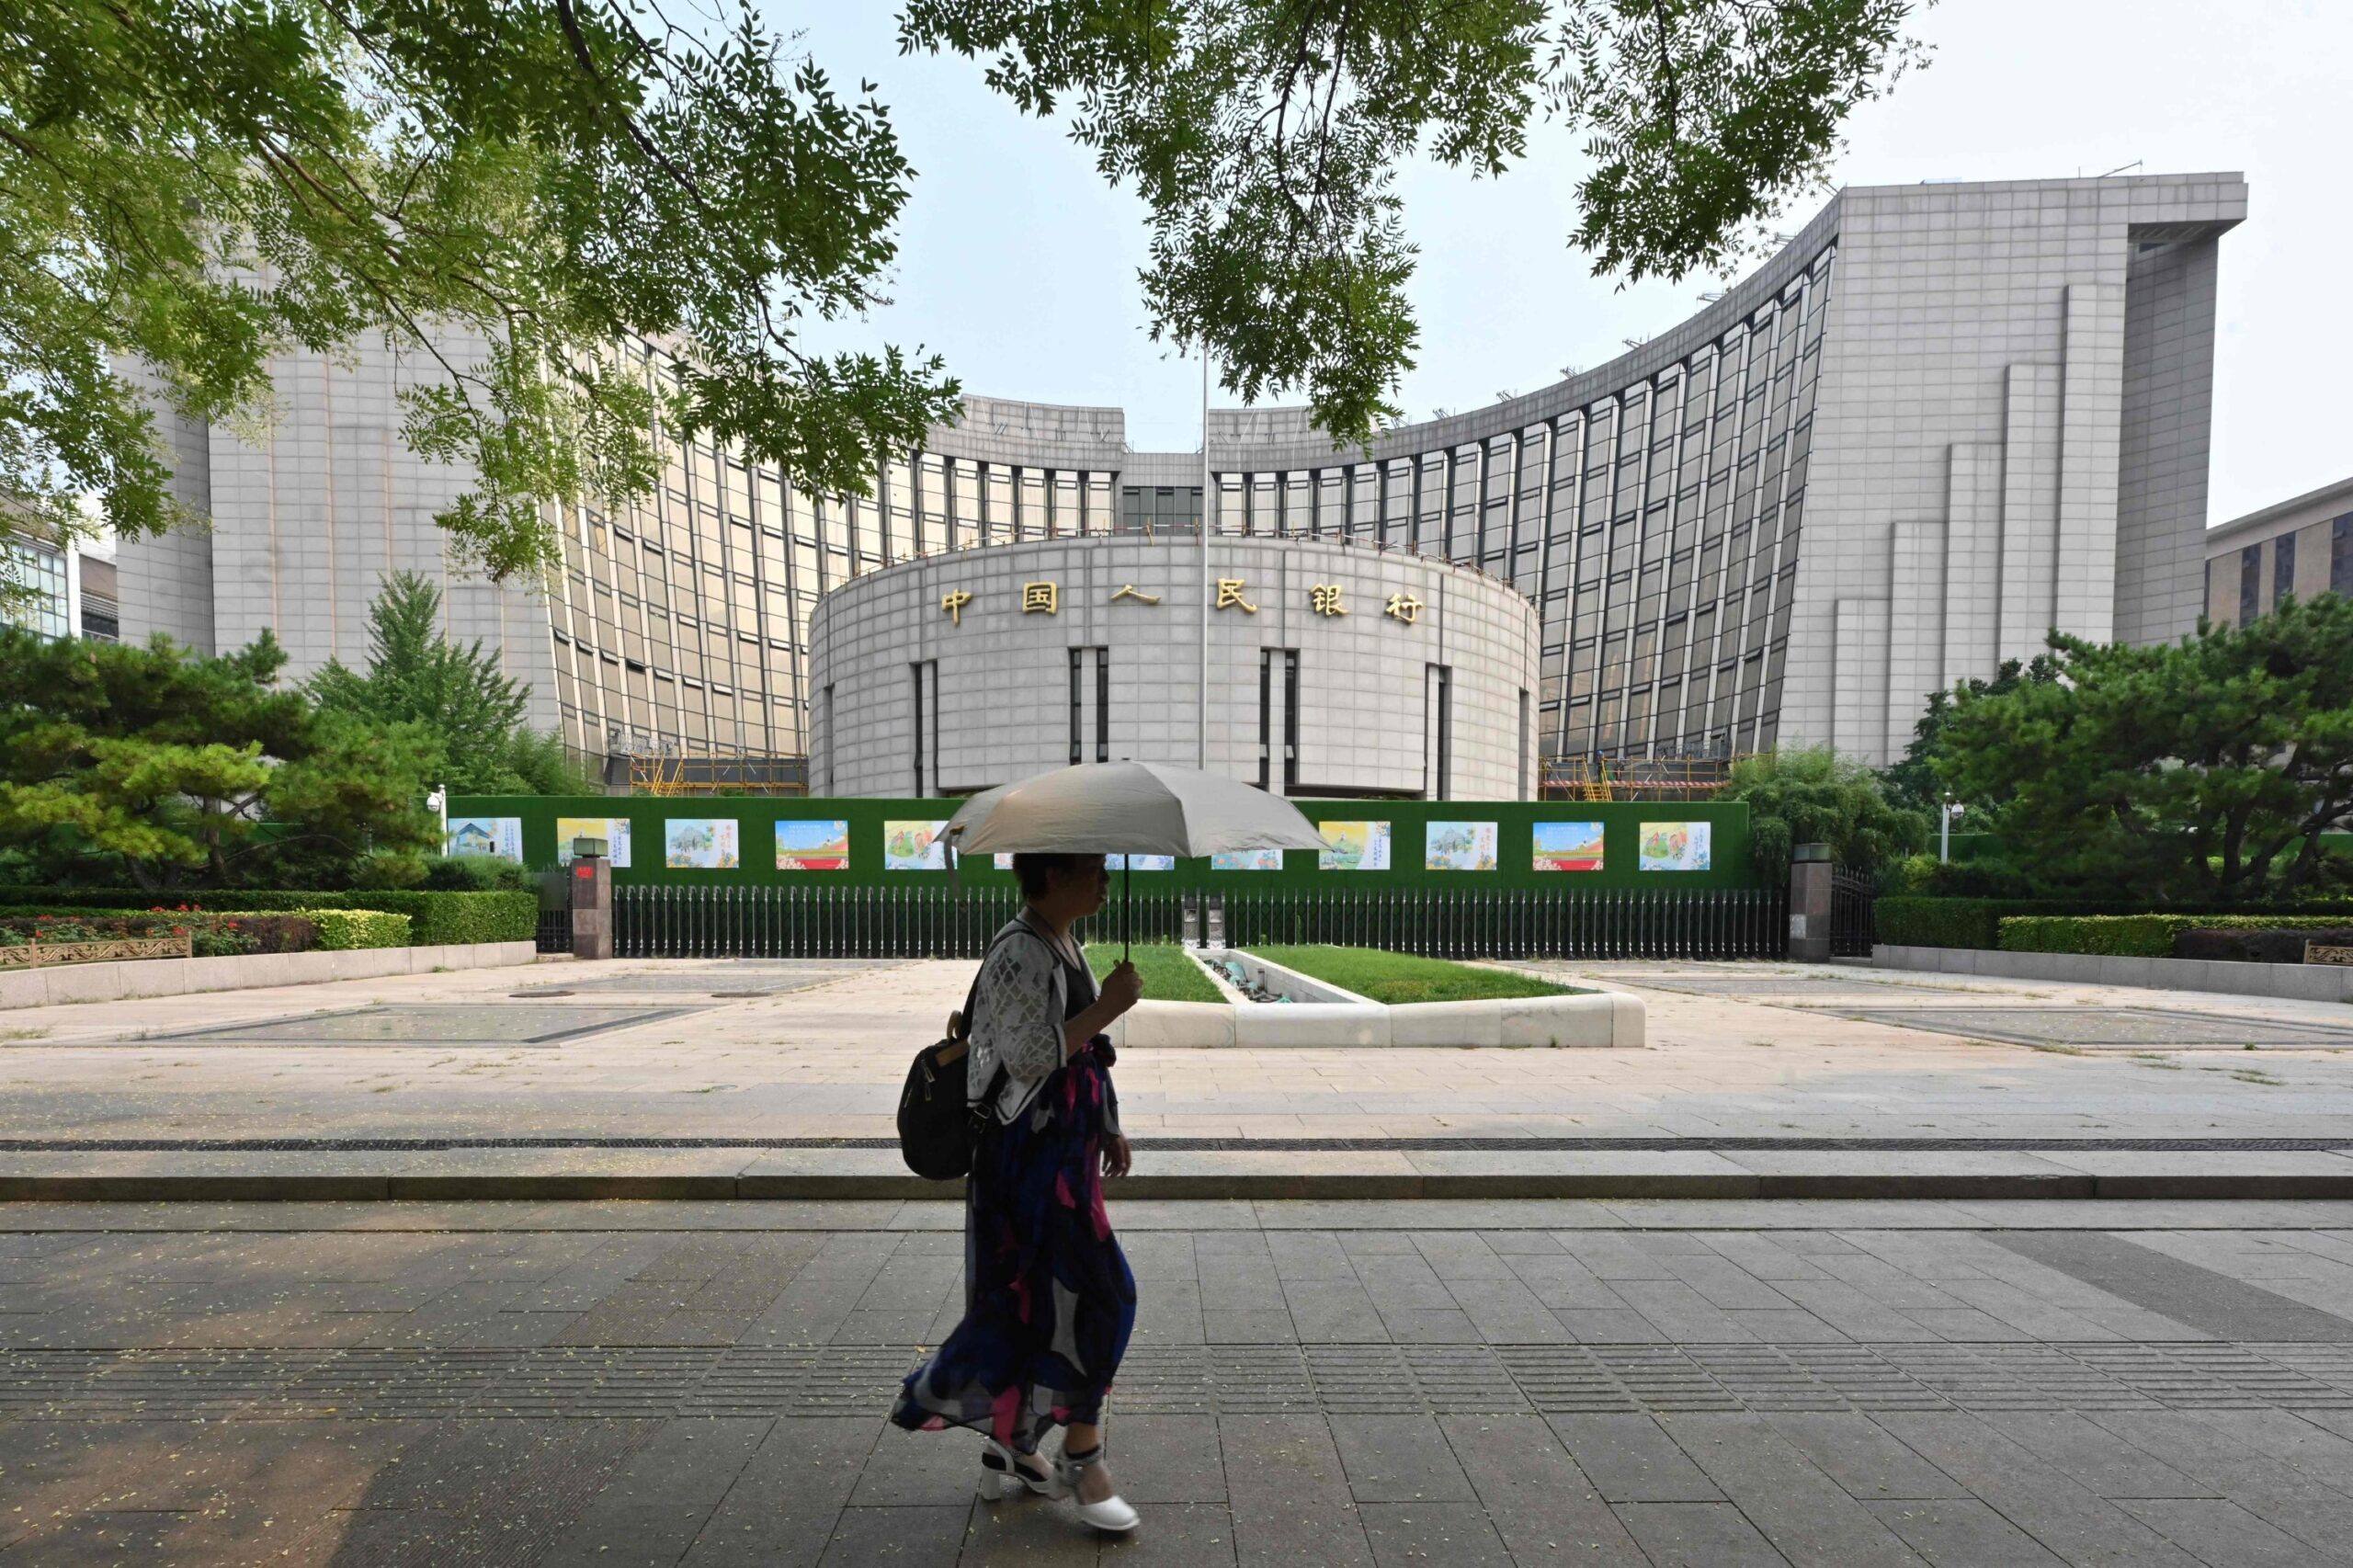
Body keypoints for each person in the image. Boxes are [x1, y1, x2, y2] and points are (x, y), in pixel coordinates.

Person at [890, 851, 1145, 1534]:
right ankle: (1081, 1455)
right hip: (1027, 1162)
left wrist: (1108, 1122)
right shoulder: (1018, 950)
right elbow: (1032, 1056)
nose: (1106, 880)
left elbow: (1084, 1055)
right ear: (1054, 875)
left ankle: (1011, 1444)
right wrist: (1110, 1006)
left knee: (1034, 1304)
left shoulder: (1061, 941)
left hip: (1064, 1156)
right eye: (1094, 868)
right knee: (1103, 1296)